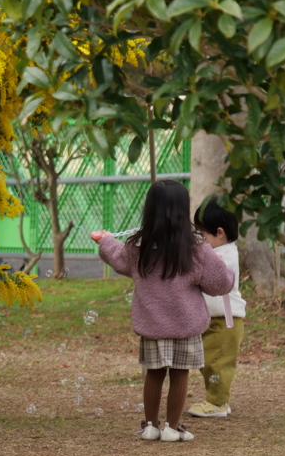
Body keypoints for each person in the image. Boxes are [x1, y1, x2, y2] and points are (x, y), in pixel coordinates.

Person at [90, 180, 233, 442]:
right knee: (180, 374)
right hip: (185, 325)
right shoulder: (196, 249)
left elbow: (118, 257)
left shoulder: (138, 246)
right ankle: (173, 427)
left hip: (152, 324)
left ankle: (150, 426)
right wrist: (227, 272)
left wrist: (106, 241)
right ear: (183, 210)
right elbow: (219, 284)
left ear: (149, 209)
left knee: (154, 374)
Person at [188, 195, 246, 418]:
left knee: (218, 363)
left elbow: (205, 270)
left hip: (226, 319)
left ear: (219, 233)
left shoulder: (226, 255)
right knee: (208, 361)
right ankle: (217, 399)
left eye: (202, 235)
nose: (199, 241)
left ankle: (217, 404)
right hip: (214, 319)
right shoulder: (216, 251)